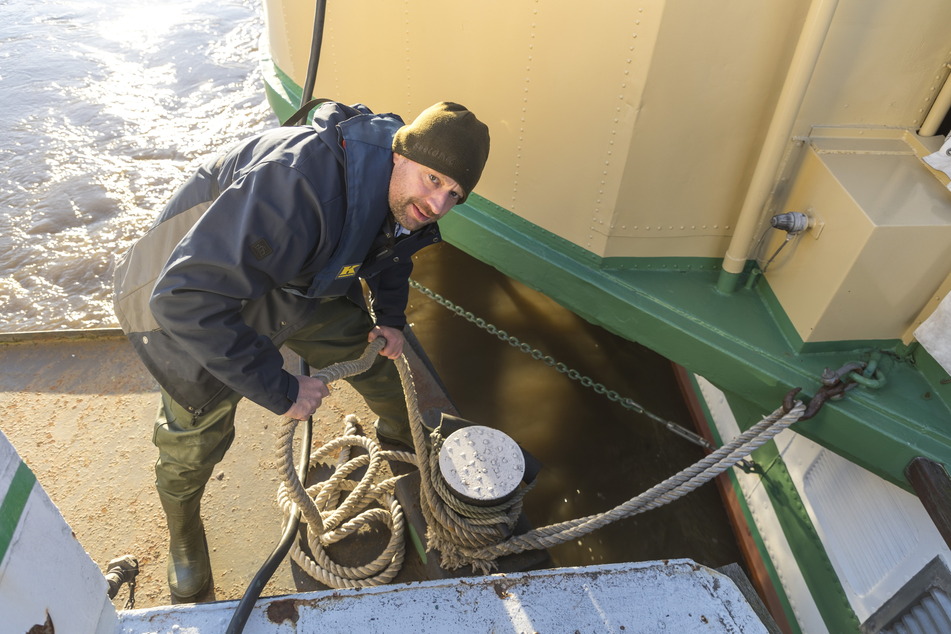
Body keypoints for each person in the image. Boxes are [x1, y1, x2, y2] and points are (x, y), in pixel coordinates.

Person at [113, 100, 490, 602]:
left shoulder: (402, 193)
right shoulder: (297, 190)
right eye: (433, 181)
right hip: (194, 293)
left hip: (301, 280)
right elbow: (182, 299)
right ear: (400, 155)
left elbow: (395, 248)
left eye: (454, 195)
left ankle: (410, 445)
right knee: (193, 437)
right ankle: (184, 534)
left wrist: (392, 320)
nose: (438, 205)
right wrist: (281, 388)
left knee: (382, 371)